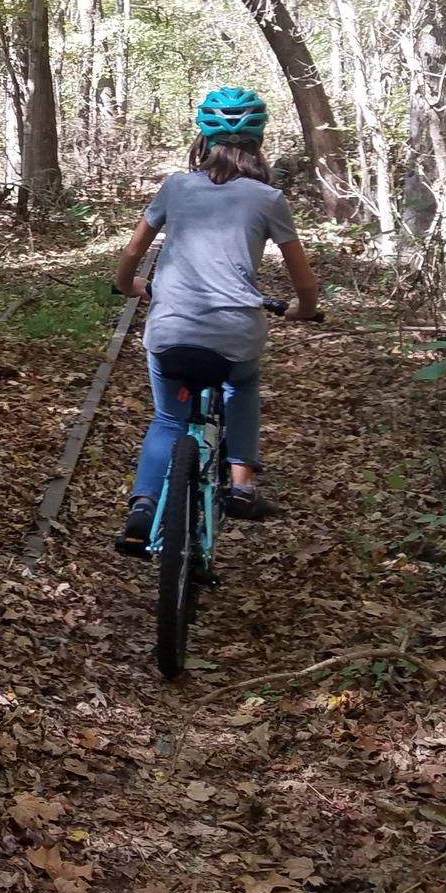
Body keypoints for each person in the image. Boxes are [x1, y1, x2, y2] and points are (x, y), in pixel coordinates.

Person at [111, 88, 323, 556]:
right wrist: (302, 311)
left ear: (202, 138)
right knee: (240, 385)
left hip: (170, 327)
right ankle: (241, 484)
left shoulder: (176, 187)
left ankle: (141, 511)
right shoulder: (269, 198)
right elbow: (305, 286)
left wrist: (131, 286)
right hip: (235, 331)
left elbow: (131, 255)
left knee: (168, 418)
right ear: (259, 140)